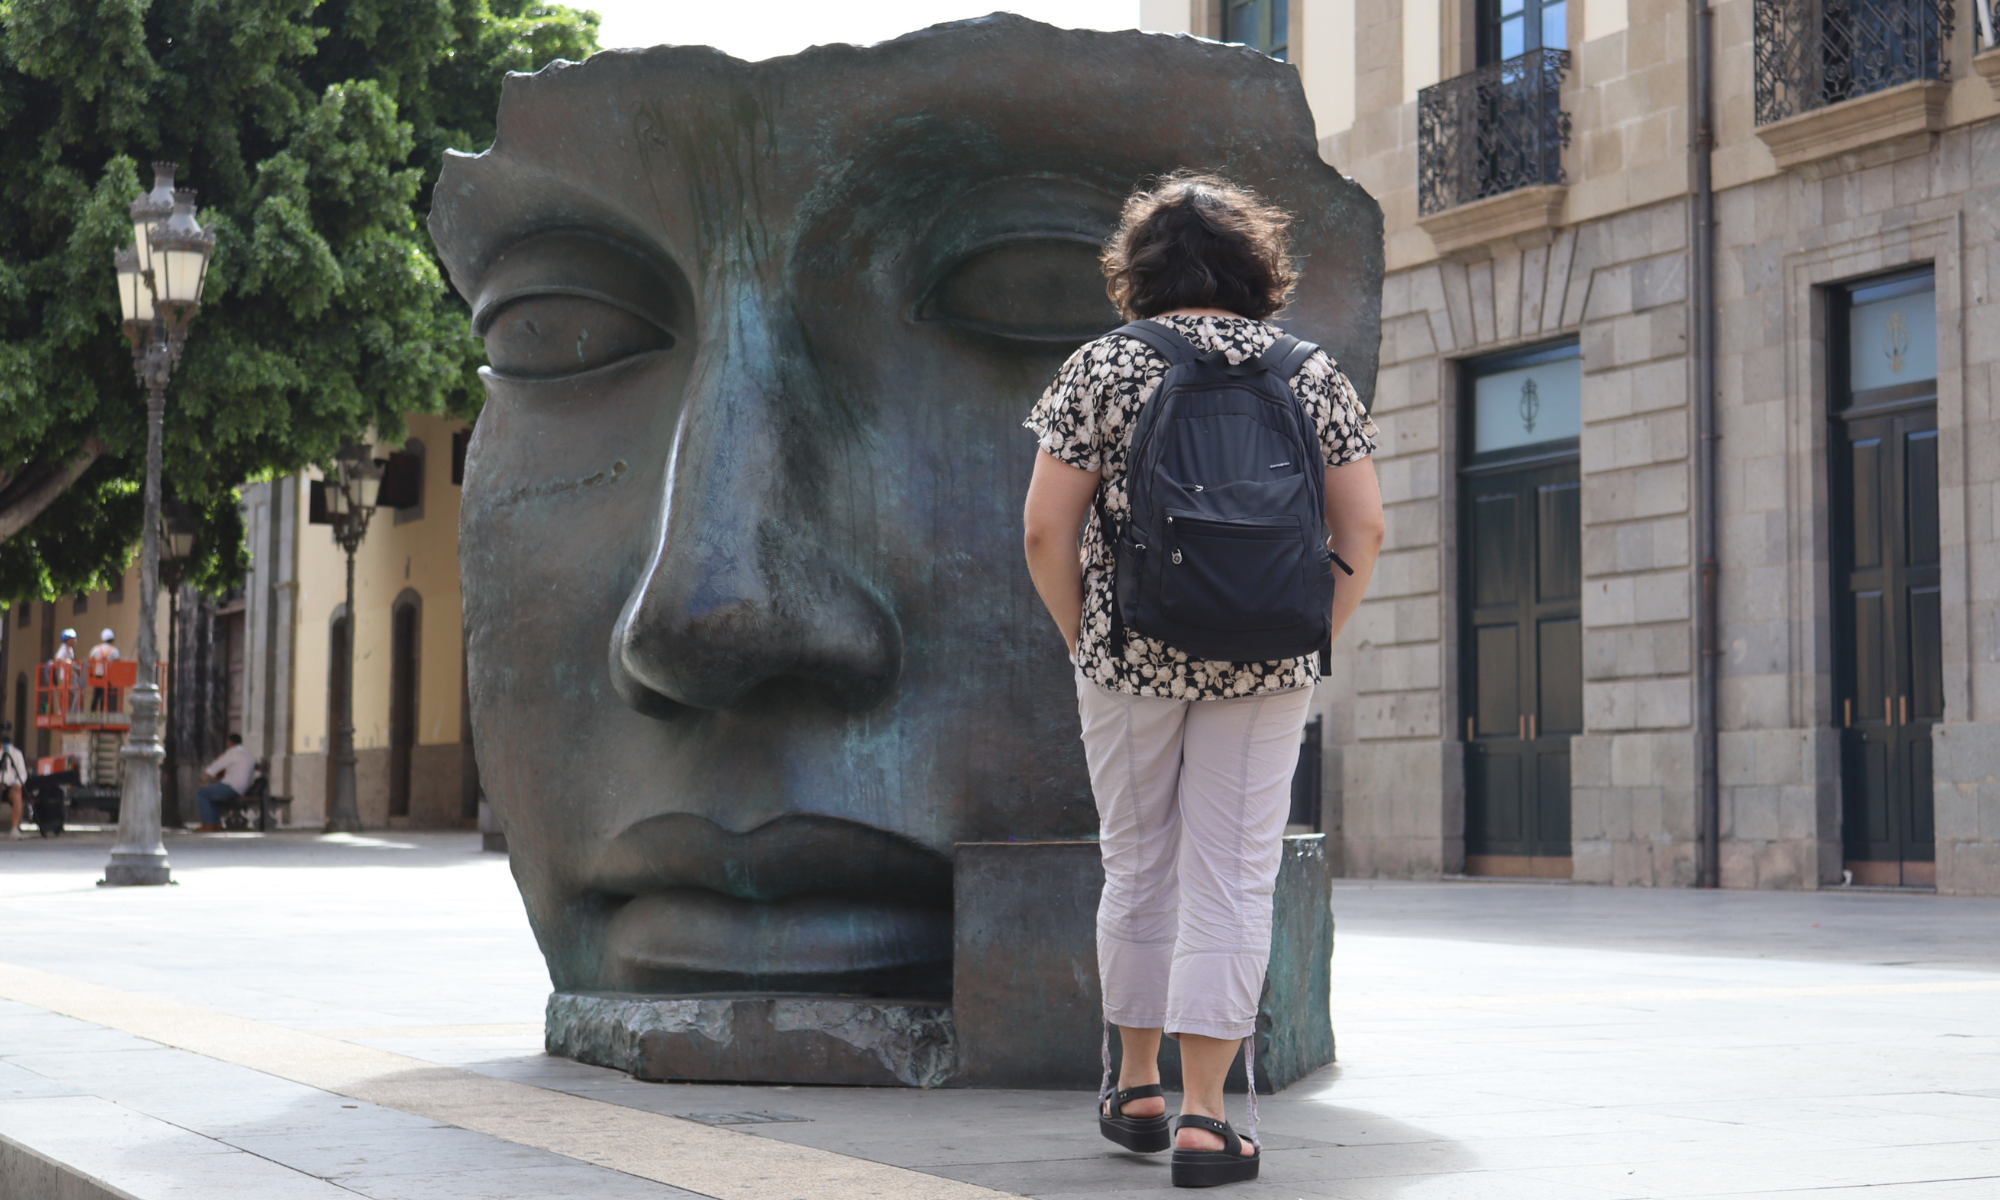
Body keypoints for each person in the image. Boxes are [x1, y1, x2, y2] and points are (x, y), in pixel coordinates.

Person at [1023, 172, 1386, 1188]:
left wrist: (1081, 635)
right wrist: (1309, 635)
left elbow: (1044, 526)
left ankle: (1133, 1086)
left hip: (1128, 648)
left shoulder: (1102, 366)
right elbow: (1362, 527)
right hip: (1267, 658)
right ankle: (1202, 1120)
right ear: (1255, 267)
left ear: (1136, 272)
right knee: (1231, 874)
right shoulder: (1309, 370)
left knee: (1137, 865)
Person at [195, 733, 257, 832]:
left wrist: (203, 779)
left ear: (230, 742)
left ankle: (208, 824)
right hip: (244, 788)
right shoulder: (249, 754)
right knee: (212, 794)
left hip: (232, 786)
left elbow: (216, 766)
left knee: (202, 792)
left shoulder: (233, 753)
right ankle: (216, 825)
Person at [0, 723, 25, 839]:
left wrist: (17, 784)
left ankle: (14, 829)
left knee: (17, 796)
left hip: (10, 786)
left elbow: (22, 773)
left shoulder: (16, 753)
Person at [87, 628, 120, 712]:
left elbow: (90, 661)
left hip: (97, 674)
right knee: (105, 695)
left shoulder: (96, 649)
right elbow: (117, 663)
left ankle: (92, 711)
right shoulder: (114, 651)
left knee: (96, 694)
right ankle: (102, 711)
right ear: (112, 639)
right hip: (108, 676)